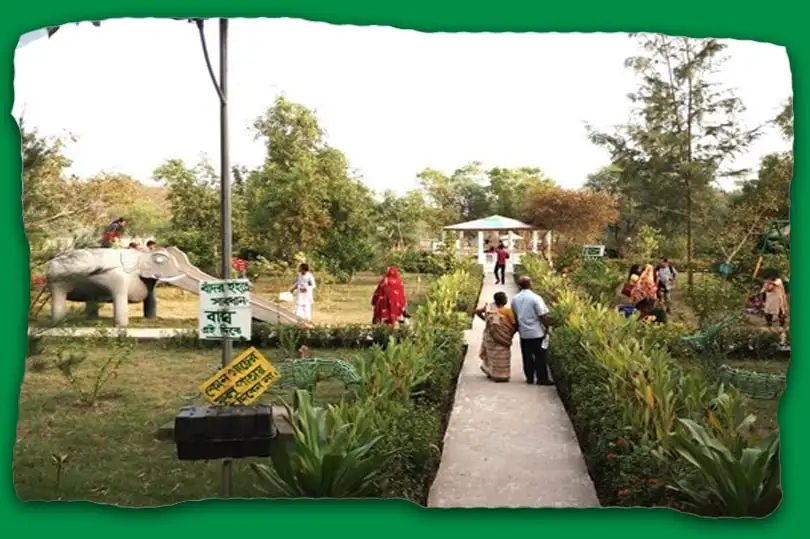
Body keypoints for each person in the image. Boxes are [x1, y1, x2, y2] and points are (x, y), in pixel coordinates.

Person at [511, 276, 553, 386]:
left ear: (520, 285)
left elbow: (515, 315)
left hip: (524, 333)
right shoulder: (536, 298)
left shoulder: (515, 299)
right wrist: (547, 328)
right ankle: (542, 379)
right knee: (540, 356)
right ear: (530, 284)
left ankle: (529, 377)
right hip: (537, 332)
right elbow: (542, 315)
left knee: (527, 356)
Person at [474, 291, 516, 382]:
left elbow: (477, 312)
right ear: (503, 300)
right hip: (503, 338)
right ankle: (503, 375)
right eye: (505, 298)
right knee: (503, 356)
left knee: (492, 355)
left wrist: (486, 320)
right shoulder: (507, 311)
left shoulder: (490, 310)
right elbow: (513, 324)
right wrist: (511, 333)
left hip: (490, 337)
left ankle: (492, 372)